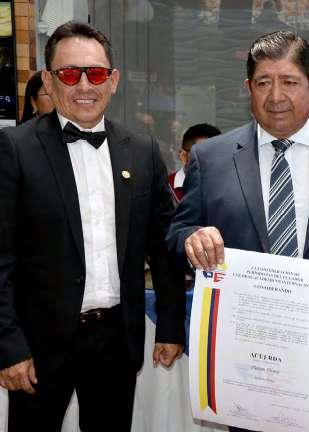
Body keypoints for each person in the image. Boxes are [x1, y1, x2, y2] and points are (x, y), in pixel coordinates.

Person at [166, 30, 309, 431]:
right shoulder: (211, 157)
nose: (276, 96)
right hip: (242, 366)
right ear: (248, 88)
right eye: (263, 83)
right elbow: (177, 232)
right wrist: (192, 238)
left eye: (289, 82)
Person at [0, 21, 185, 432]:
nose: (84, 85)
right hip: (38, 345)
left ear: (113, 81)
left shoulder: (142, 151)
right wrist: (8, 346)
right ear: (49, 81)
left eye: (96, 74)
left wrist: (171, 326)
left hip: (116, 341)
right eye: (69, 74)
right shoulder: (15, 149)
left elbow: (163, 246)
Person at [168, 122, 221, 203]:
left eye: (216, 154)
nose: (211, 161)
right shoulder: (166, 188)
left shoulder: (227, 185)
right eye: (203, 154)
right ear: (183, 156)